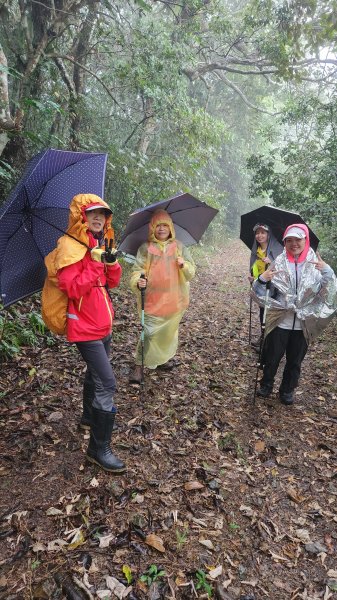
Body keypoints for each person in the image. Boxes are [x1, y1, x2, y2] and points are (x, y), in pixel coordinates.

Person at [55, 193, 125, 473]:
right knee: (107, 383)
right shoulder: (69, 246)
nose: (99, 218)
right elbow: (70, 288)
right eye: (93, 213)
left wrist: (111, 262)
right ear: (82, 216)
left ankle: (88, 417)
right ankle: (98, 450)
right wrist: (95, 262)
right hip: (84, 327)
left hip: (103, 324)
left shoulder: (100, 243)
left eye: (103, 214)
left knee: (94, 375)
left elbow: (112, 283)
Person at [252, 223, 337, 405]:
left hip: (303, 323)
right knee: (273, 356)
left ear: (305, 239)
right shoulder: (279, 262)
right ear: (284, 242)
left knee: (295, 360)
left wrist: (328, 272)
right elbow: (261, 291)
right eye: (288, 240)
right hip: (281, 321)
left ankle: (287, 390)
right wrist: (261, 279)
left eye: (297, 239)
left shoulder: (317, 264)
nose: (293, 244)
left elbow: (328, 293)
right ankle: (266, 384)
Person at [129, 209, 196, 383]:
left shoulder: (179, 247)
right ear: (152, 228)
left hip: (174, 298)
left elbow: (191, 271)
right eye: (158, 226)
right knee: (149, 333)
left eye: (165, 225)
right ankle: (139, 365)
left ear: (171, 228)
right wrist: (139, 281)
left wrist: (184, 265)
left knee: (168, 333)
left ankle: (161, 360)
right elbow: (137, 270)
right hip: (152, 300)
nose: (161, 229)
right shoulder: (146, 248)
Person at [248, 223, 283, 326]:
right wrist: (253, 278)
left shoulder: (278, 248)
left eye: (263, 232)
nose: (259, 235)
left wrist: (272, 261)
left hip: (274, 288)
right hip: (261, 285)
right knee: (262, 311)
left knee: (271, 313)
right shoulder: (256, 250)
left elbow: (283, 266)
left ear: (268, 234)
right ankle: (263, 336)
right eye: (257, 233)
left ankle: (269, 337)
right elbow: (254, 266)